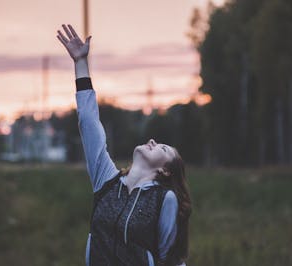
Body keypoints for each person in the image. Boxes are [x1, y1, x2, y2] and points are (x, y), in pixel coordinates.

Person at [56, 24, 191, 266]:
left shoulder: (165, 199)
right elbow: (88, 121)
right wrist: (80, 64)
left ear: (165, 170)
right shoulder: (105, 181)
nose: (152, 141)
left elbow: (169, 259)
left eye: (162, 148)